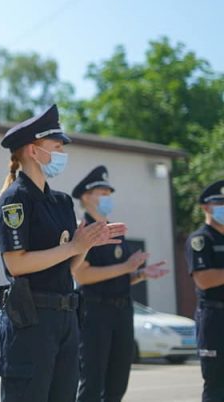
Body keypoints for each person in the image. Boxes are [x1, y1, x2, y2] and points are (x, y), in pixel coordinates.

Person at [0, 104, 126, 402]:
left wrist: (87, 243)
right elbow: (16, 263)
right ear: (32, 150)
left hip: (66, 317)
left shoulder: (61, 202)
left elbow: (70, 264)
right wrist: (73, 247)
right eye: (55, 146)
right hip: (32, 320)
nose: (61, 153)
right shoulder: (15, 200)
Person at [72, 166, 168, 402]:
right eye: (101, 192)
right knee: (92, 384)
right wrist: (126, 268)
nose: (107, 197)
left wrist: (141, 274)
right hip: (95, 312)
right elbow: (82, 276)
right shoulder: (83, 231)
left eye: (109, 193)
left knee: (117, 384)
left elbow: (120, 275)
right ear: (86, 196)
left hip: (122, 310)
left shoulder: (116, 230)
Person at [185, 180, 224, 402]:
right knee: (217, 383)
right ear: (206, 207)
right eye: (220, 203)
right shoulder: (201, 240)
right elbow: (204, 279)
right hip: (215, 318)